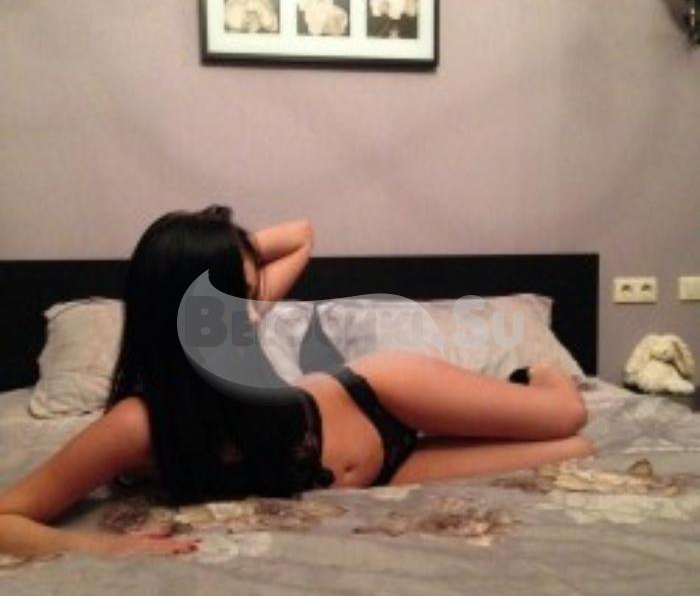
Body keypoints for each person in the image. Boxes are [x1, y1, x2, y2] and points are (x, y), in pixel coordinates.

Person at [0, 206, 592, 559]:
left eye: (245, 293)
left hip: (384, 392)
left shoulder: (238, 318)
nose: (250, 310)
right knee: (573, 451)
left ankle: (536, 373)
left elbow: (301, 234)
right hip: (381, 476)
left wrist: (228, 249)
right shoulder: (137, 423)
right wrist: (103, 548)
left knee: (568, 416)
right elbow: (7, 518)